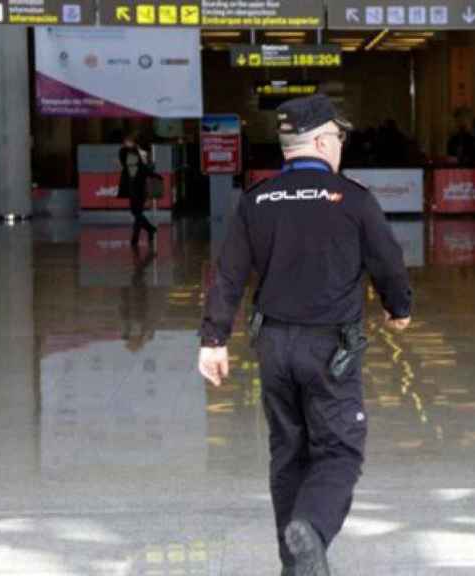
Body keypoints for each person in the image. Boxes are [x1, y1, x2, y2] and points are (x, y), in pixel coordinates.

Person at [197, 94, 413, 576]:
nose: (341, 145)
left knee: (288, 452)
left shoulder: (257, 200)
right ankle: (312, 530)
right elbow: (389, 263)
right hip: (329, 349)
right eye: (339, 136)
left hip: (273, 347)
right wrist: (399, 309)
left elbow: (228, 275)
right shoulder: (352, 198)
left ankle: (296, 566)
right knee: (339, 449)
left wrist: (213, 340)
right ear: (320, 141)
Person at [118, 133, 162, 249]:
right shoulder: (130, 152)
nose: (126, 143)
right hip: (135, 186)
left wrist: (153, 174)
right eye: (126, 141)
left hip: (136, 187)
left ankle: (138, 237)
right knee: (137, 212)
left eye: (128, 141)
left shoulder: (134, 153)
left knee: (137, 213)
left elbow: (139, 169)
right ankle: (150, 230)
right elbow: (137, 168)